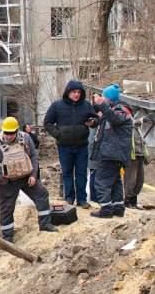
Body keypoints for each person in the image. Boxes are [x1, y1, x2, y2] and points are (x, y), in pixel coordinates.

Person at [0, 116, 58, 241]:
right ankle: (7, 237)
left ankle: (45, 224)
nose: (8, 136)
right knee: (6, 208)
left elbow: (34, 156)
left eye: (11, 133)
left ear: (17, 131)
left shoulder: (25, 138)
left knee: (42, 194)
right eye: (6, 133)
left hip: (25, 177)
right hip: (6, 181)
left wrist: (33, 175)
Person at [43, 79, 97, 208]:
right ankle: (69, 198)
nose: (76, 94)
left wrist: (93, 122)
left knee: (81, 173)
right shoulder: (57, 106)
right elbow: (47, 123)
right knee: (67, 173)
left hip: (82, 145)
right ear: (68, 92)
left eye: (78, 92)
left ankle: (82, 199)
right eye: (73, 92)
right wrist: (58, 134)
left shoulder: (86, 105)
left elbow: (96, 119)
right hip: (64, 146)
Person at [89, 85, 134, 218]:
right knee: (115, 181)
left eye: (104, 96)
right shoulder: (113, 110)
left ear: (109, 98)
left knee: (101, 180)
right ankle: (118, 207)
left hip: (112, 153)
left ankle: (106, 209)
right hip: (114, 153)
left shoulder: (121, 110)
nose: (102, 98)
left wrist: (101, 104)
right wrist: (93, 120)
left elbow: (115, 119)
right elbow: (105, 121)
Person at [124, 115, 148, 209]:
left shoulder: (138, 129)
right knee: (131, 179)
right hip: (132, 156)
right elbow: (133, 123)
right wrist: (140, 120)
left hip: (140, 155)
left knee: (139, 180)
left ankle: (134, 201)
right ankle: (128, 201)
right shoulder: (129, 126)